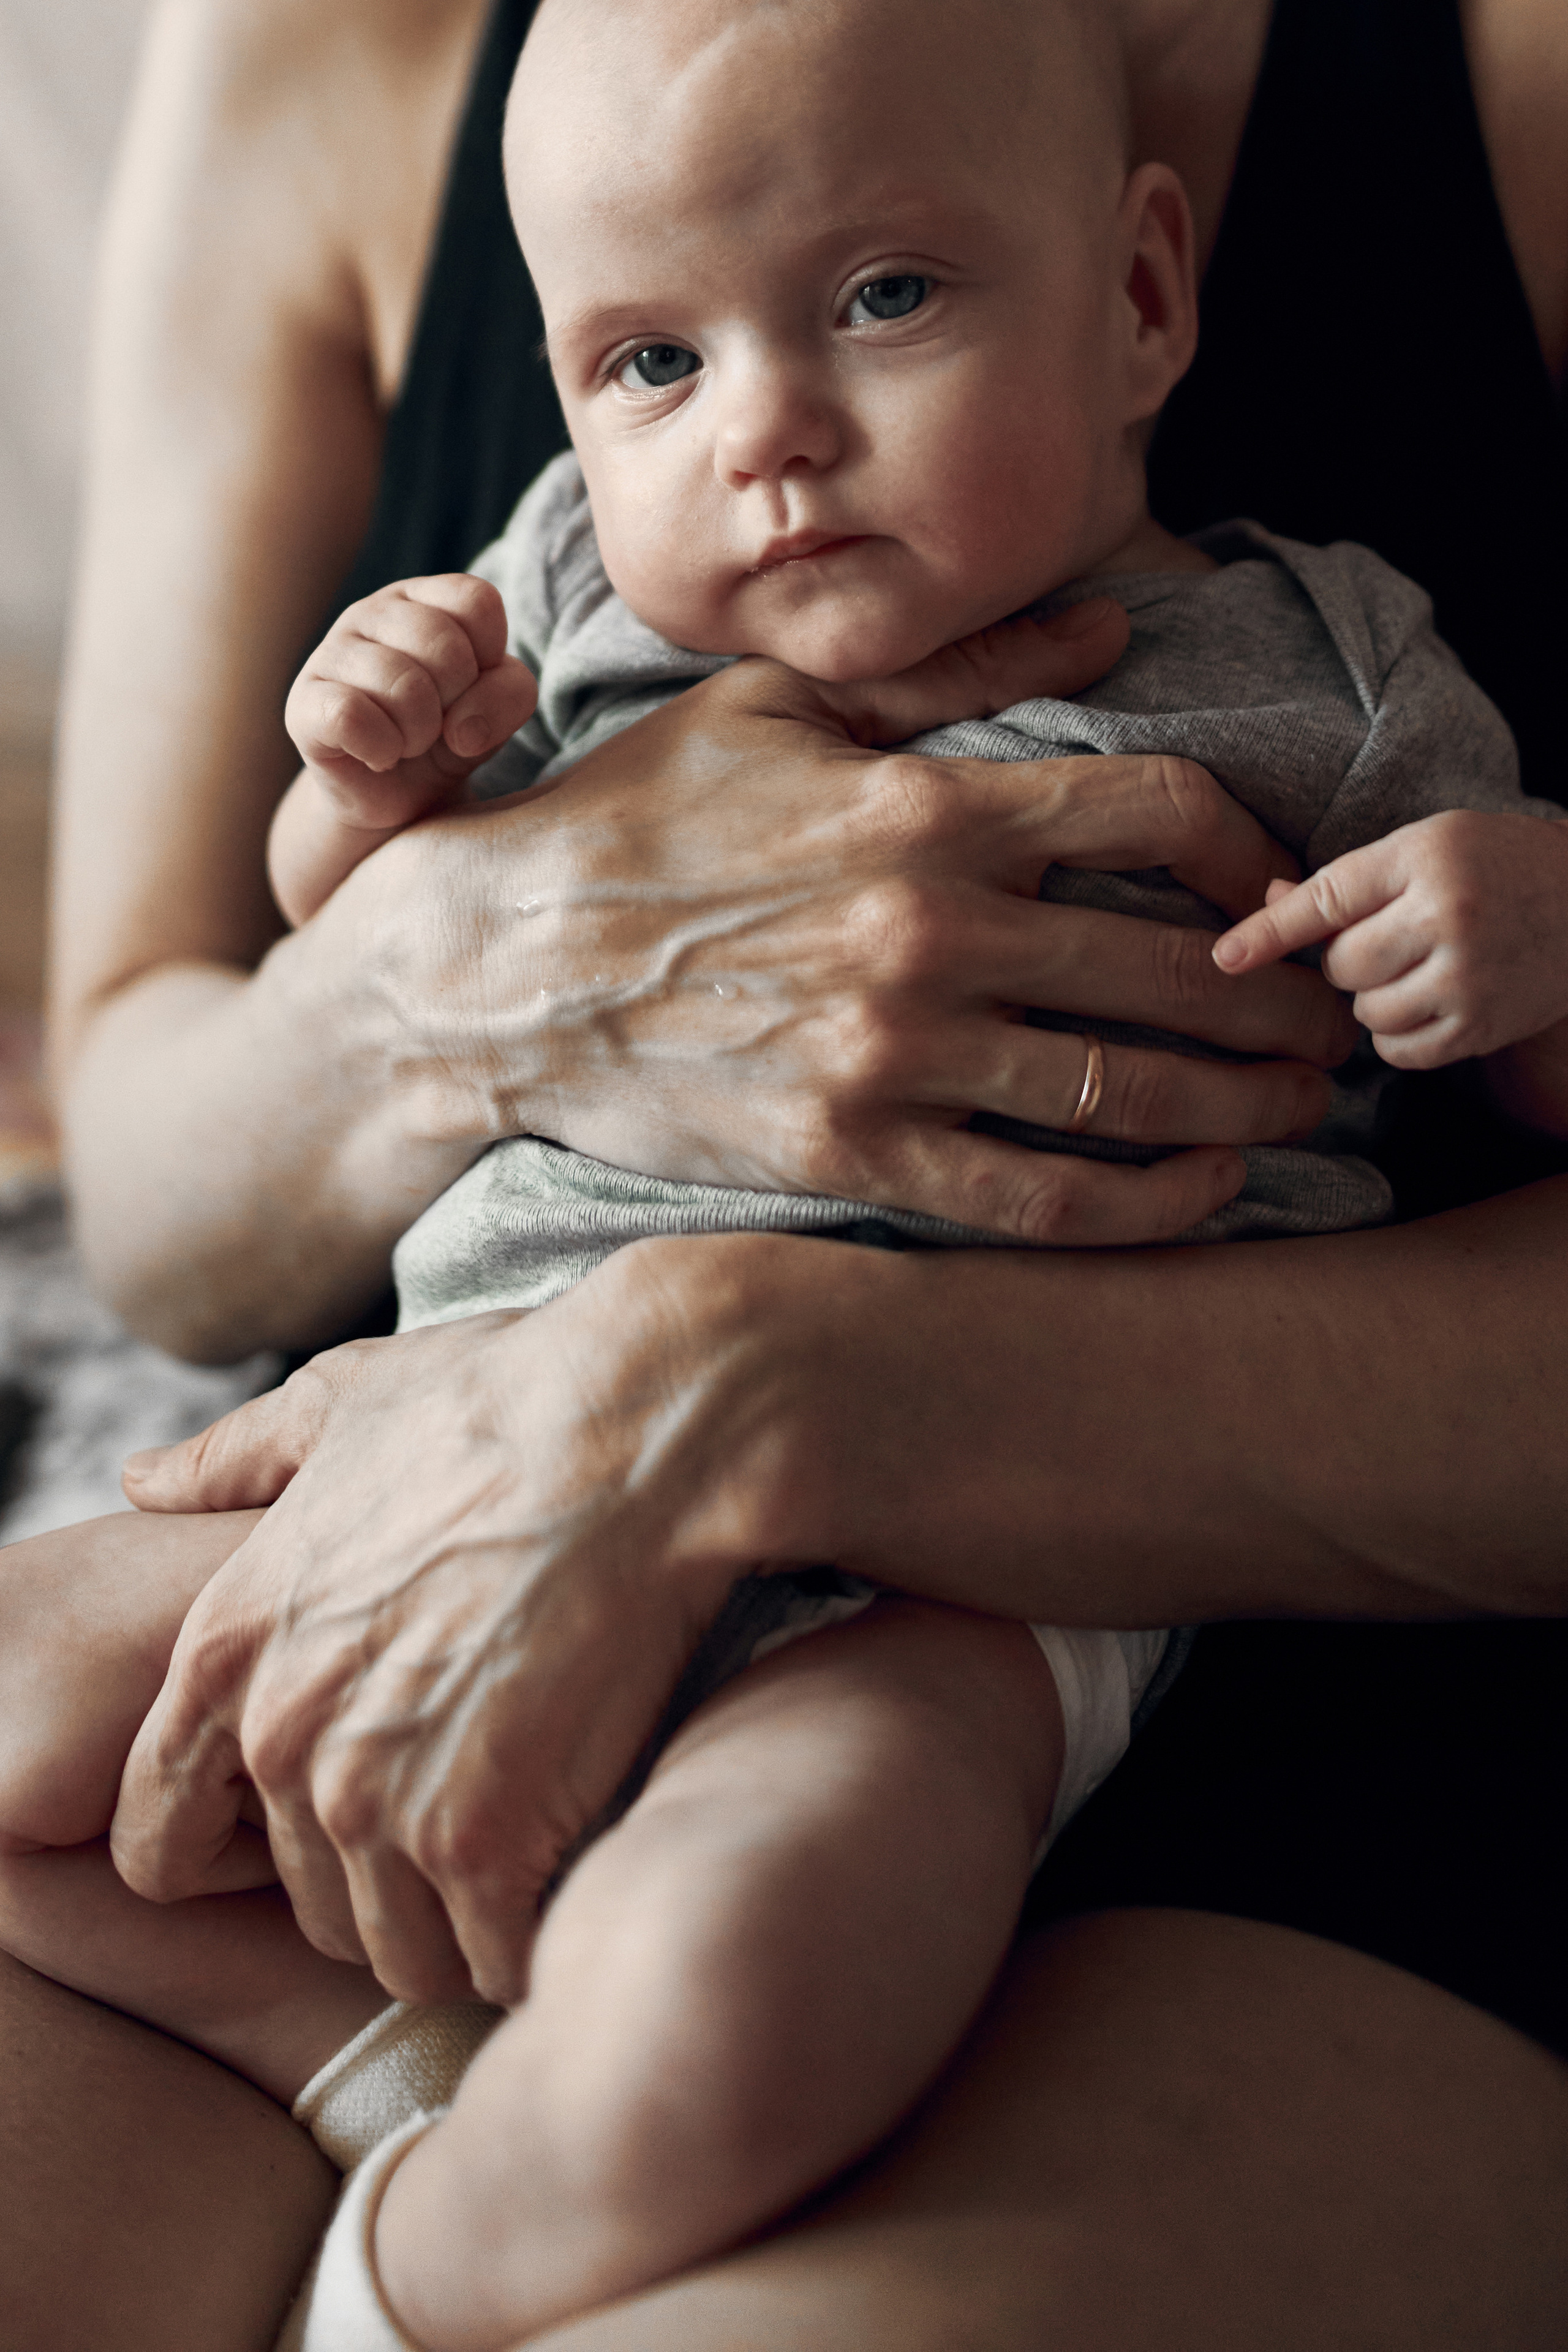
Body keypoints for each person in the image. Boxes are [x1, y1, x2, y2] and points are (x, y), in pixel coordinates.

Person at [8, 0, 1567, 2346]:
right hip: (425, 1458)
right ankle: (369, 2061)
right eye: (651, 362)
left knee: (736, 1995)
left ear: (1142, 296)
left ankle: (407, 2286)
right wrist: (398, 842)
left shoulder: (1313, 669)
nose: (766, 435)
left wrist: (1516, 927)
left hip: (994, 1565)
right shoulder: (565, 585)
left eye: (886, 299)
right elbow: (215, 1067)